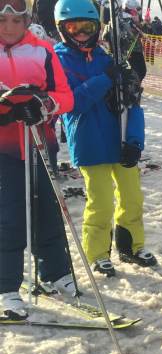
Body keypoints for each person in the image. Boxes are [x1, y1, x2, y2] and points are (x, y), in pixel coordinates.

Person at [54, 0, 157, 277]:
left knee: (132, 197)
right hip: (89, 142)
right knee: (100, 202)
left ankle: (131, 246)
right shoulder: (59, 60)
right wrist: (104, 79)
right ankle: (98, 253)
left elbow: (132, 104)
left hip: (119, 139)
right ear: (62, 29)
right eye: (73, 28)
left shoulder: (109, 58)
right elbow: (73, 103)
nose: (81, 34)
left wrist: (134, 141)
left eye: (87, 27)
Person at [0, 0, 76, 319]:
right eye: (2, 20)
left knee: (48, 208)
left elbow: (66, 97)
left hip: (40, 143)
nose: (9, 27)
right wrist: (7, 112)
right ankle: (7, 286)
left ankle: (55, 272)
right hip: (4, 150)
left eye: (16, 21)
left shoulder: (43, 50)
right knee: (10, 216)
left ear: (26, 20)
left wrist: (43, 103)